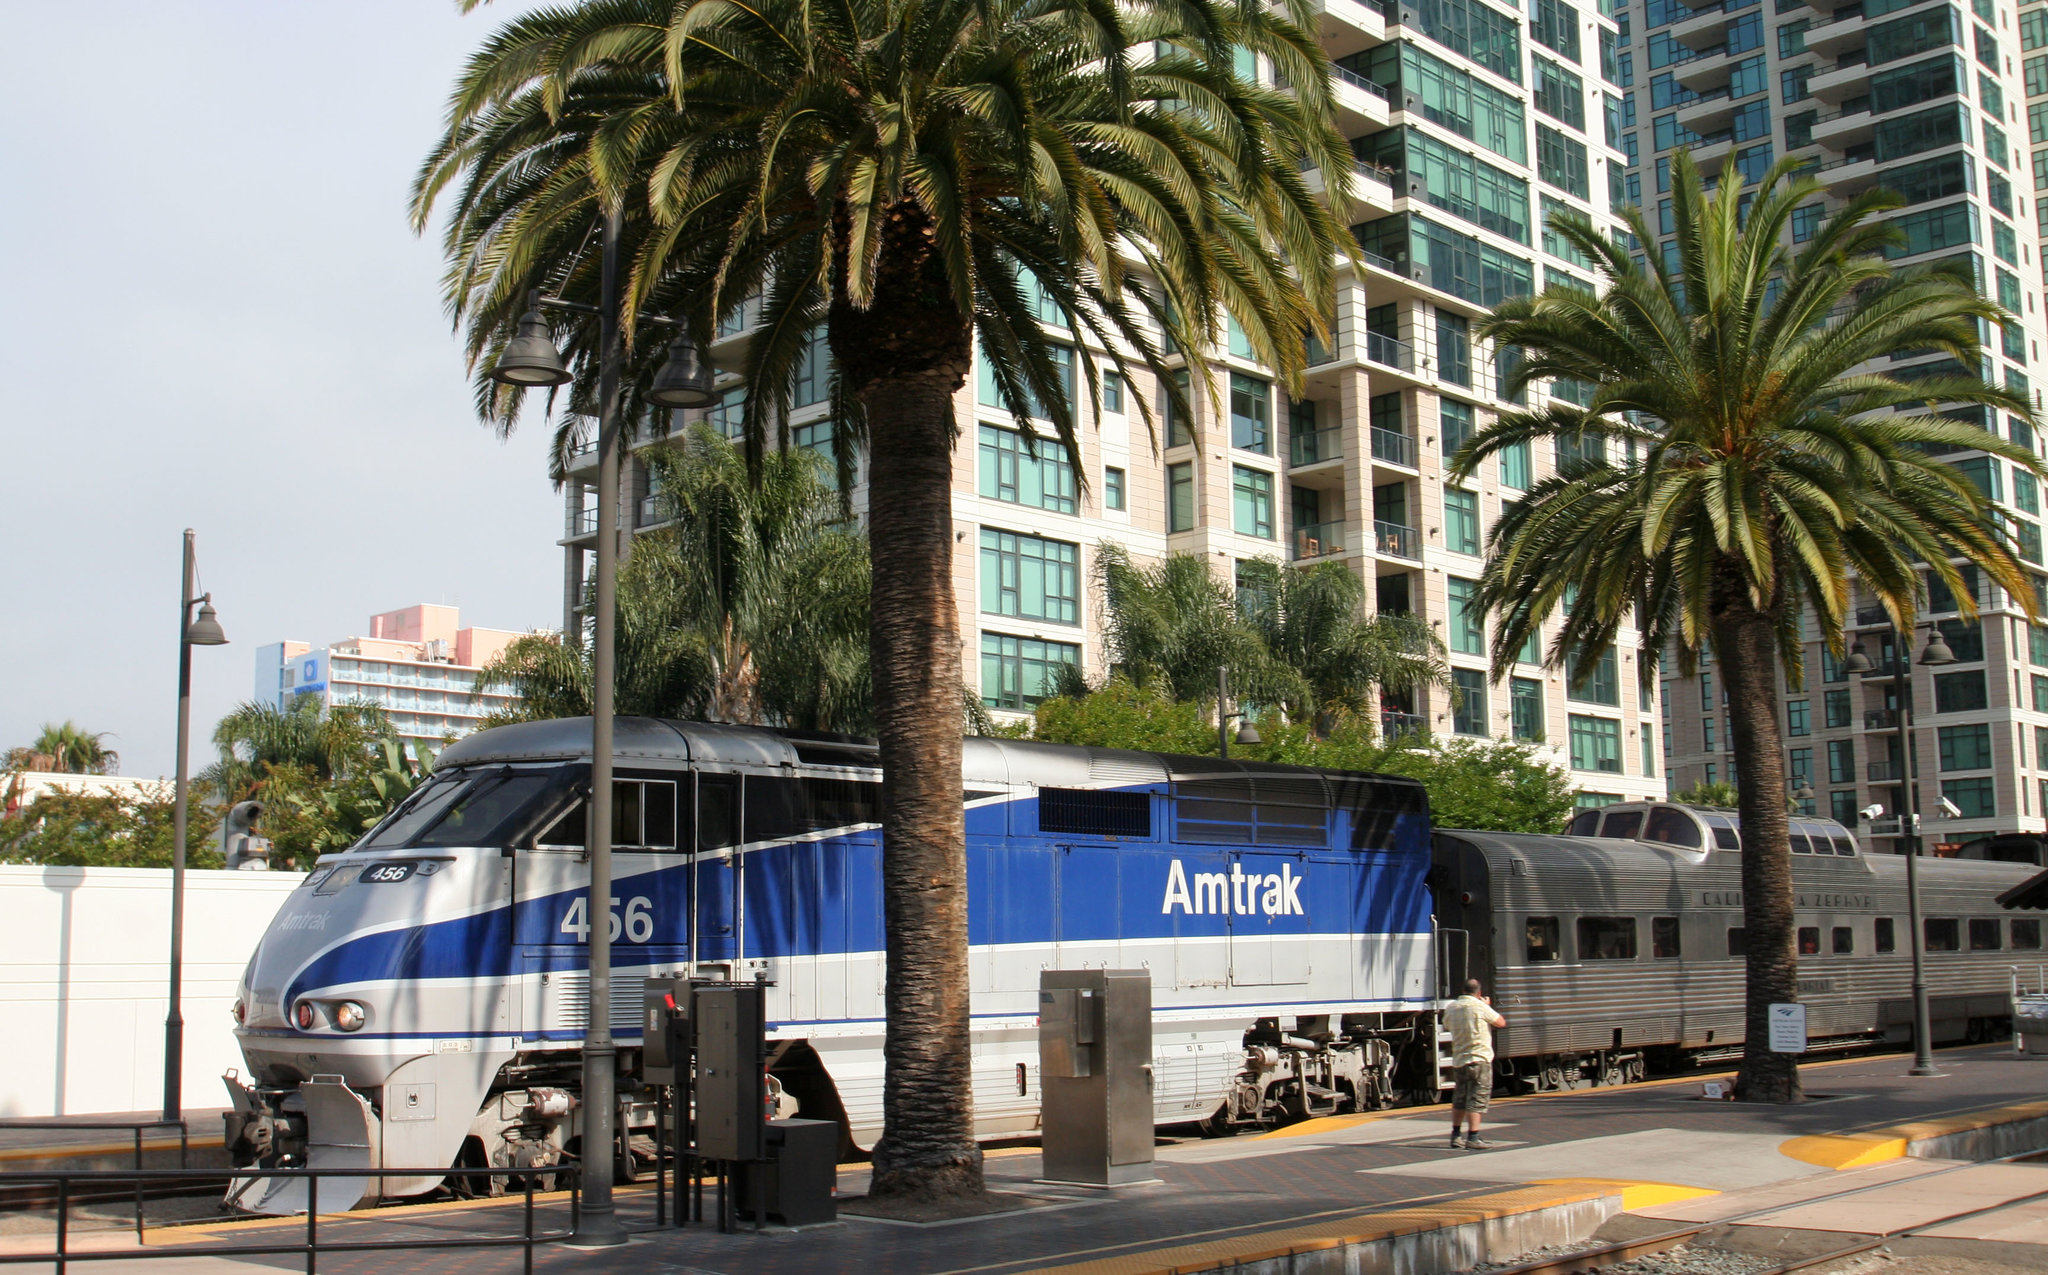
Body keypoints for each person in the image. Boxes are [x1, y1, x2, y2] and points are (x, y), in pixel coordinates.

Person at [1446, 977, 1506, 1149]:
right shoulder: (1480, 1006)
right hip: (1479, 1059)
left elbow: (1447, 1025)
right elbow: (1500, 1022)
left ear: (1462, 990)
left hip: (1459, 1059)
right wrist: (1486, 1005)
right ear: (1478, 993)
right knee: (1477, 1098)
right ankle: (1473, 1136)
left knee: (1459, 1098)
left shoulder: (1452, 1008)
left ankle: (1456, 1135)